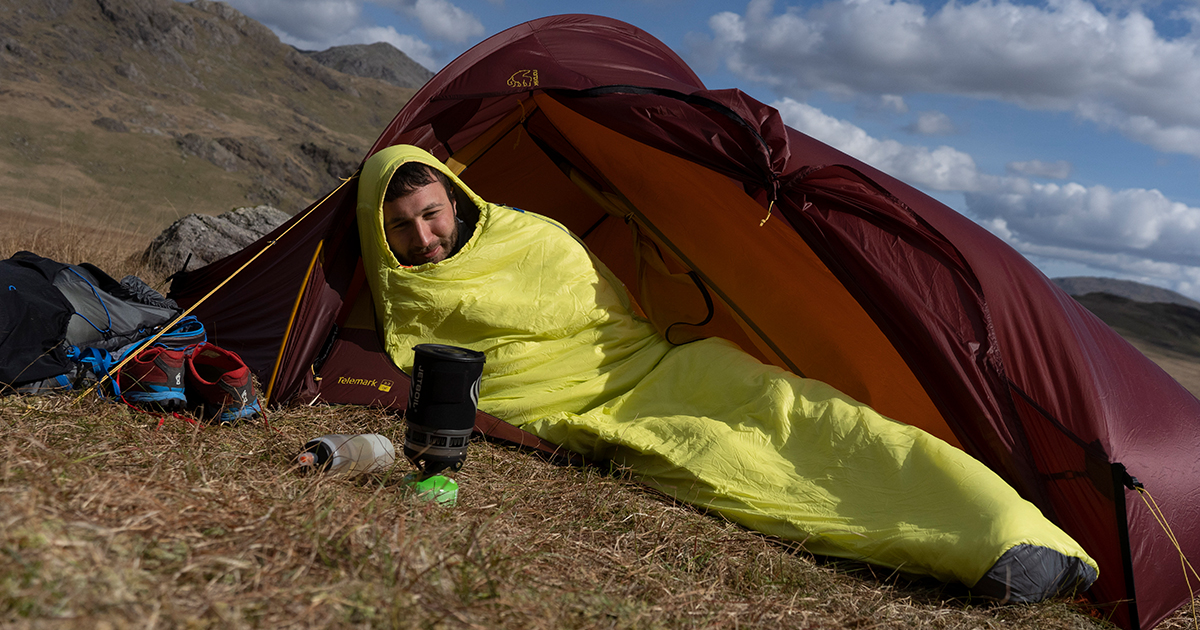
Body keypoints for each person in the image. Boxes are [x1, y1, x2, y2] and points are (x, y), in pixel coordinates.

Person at [356, 144, 1099, 602]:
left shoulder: (534, 237)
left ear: (454, 198)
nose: (424, 238)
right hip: (600, 407)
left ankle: (1020, 531)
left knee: (804, 412)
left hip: (664, 365)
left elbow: (603, 316)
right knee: (732, 459)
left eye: (431, 214)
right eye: (402, 228)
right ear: (378, 233)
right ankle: (989, 551)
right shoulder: (404, 294)